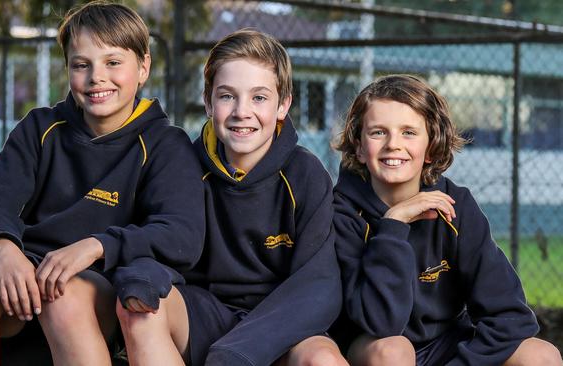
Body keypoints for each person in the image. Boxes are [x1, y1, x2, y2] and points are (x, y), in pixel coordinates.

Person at [0, 2, 204, 365]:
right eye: (82, 64)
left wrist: (96, 246)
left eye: (113, 63)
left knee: (62, 294)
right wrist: (4, 249)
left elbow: (181, 236)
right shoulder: (39, 129)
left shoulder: (165, 144)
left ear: (143, 67)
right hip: (30, 283)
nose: (97, 76)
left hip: (104, 289)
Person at [113, 28, 346, 366]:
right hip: (205, 313)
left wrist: (236, 352)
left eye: (259, 98)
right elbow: (159, 240)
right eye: (227, 96)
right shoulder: (180, 166)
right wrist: (143, 276)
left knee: (323, 360)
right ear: (208, 101)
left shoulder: (305, 174)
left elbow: (318, 286)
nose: (242, 111)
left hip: (282, 321)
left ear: (283, 105)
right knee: (141, 308)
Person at [332, 74, 562, 365]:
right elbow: (381, 323)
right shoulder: (341, 214)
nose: (393, 144)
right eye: (378, 132)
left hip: (445, 343)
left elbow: (511, 317)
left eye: (409, 132)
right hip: (371, 345)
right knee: (392, 351)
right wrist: (393, 225)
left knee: (541, 355)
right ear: (360, 147)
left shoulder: (456, 206)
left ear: (431, 147)